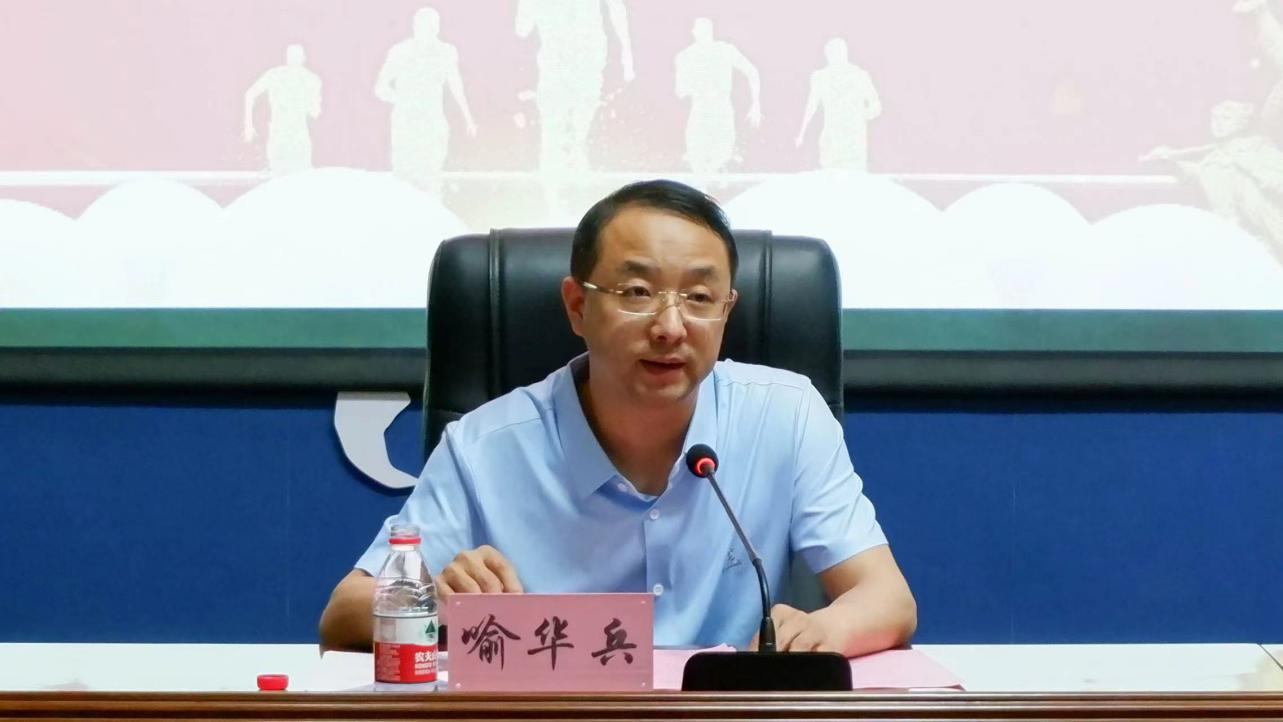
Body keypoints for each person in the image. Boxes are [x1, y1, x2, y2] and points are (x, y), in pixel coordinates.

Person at [319, 180, 917, 655]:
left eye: (700, 298)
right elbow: (344, 611)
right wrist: (437, 603)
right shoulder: (485, 446)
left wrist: (825, 631)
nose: (670, 327)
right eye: (637, 292)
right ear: (577, 306)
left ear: (727, 310)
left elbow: (886, 596)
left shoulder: (785, 415)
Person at [376, 7, 477, 192]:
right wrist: (402, 100)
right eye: (423, 26)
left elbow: (456, 85)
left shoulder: (446, 52)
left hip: (432, 123)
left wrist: (468, 118)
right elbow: (380, 87)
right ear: (414, 27)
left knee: (431, 178)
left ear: (437, 28)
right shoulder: (400, 51)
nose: (428, 31)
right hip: (406, 124)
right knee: (405, 179)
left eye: (432, 27)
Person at [675, 18, 762, 178]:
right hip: (701, 111)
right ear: (693, 32)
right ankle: (704, 178)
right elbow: (680, 91)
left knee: (722, 154)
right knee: (697, 158)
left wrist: (756, 104)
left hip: (721, 110)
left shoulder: (725, 50)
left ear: (712, 31)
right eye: (700, 30)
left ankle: (715, 172)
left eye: (706, 30)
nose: (703, 34)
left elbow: (752, 72)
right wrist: (697, 84)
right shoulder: (686, 56)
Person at [794, 38, 882, 171]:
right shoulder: (820, 77)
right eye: (831, 54)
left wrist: (861, 116)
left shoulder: (859, 76)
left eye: (838, 54)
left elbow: (876, 105)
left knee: (853, 175)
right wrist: (802, 132)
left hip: (854, 142)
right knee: (831, 174)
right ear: (827, 56)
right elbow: (811, 106)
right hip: (832, 141)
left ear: (845, 54)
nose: (835, 58)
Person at [242, 44, 322, 174]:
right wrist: (248, 126)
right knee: (293, 175)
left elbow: (249, 95)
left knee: (287, 175)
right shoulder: (309, 79)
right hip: (287, 137)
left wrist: (249, 126)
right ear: (303, 58)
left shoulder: (307, 79)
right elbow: (315, 112)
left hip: (290, 137)